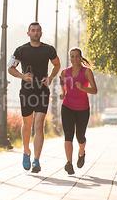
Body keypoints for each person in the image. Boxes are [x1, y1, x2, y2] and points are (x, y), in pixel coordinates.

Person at [8, 22, 60, 173]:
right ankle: (26, 152)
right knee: (27, 124)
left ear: (41, 33)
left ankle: (36, 160)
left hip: (42, 91)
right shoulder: (21, 50)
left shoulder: (48, 50)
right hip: (27, 91)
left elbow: (57, 65)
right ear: (28, 33)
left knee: (39, 125)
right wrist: (22, 76)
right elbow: (10, 68)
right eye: (33, 30)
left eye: (37, 31)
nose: (35, 33)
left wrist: (50, 77)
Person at [59, 47, 98, 175]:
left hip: (82, 108)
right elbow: (62, 81)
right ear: (69, 58)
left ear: (81, 58)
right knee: (68, 135)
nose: (74, 59)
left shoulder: (87, 72)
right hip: (67, 107)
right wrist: (62, 93)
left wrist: (82, 88)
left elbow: (94, 90)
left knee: (80, 136)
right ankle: (69, 163)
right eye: (72, 56)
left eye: (76, 56)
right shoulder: (65, 72)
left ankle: (81, 153)